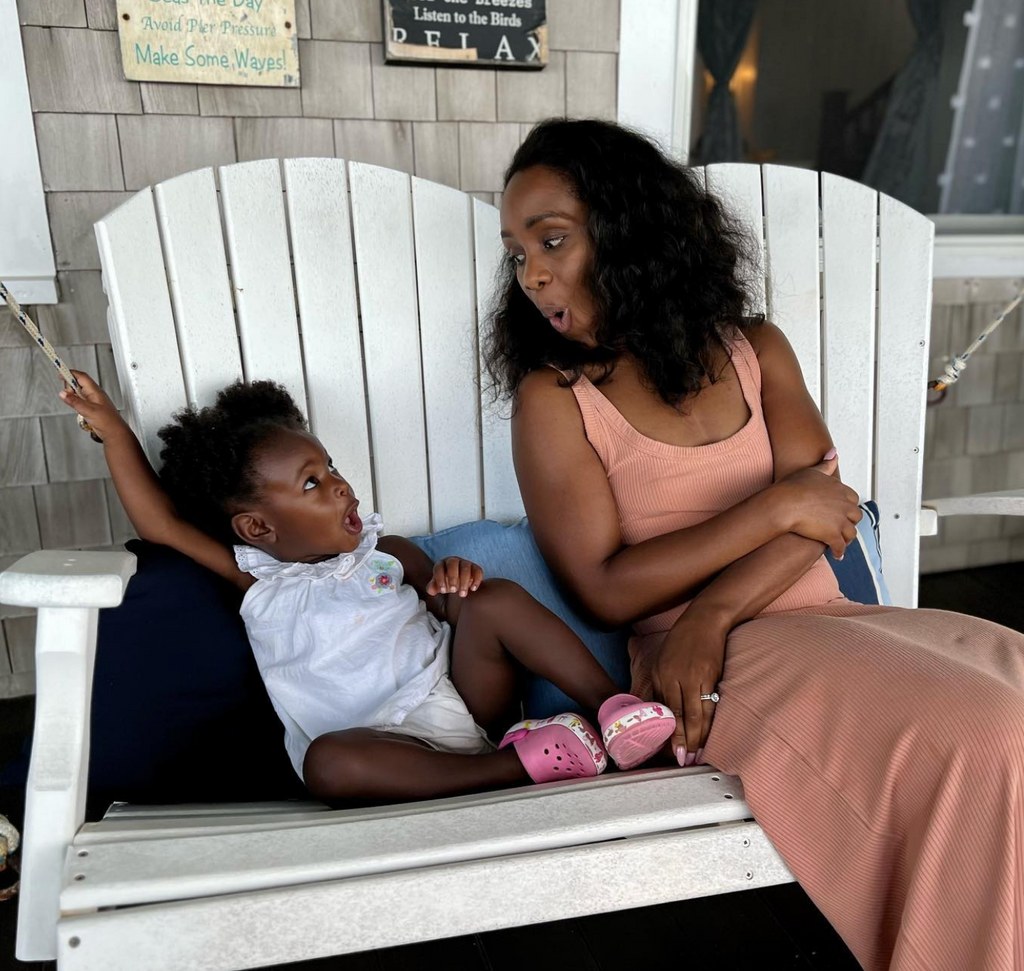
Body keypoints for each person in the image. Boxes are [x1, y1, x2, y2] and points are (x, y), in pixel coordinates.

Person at [486, 117, 1024, 971]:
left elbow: (833, 512)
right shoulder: (557, 400)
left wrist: (721, 603)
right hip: (708, 672)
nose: (533, 274)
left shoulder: (755, 350)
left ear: (633, 231)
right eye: (518, 253)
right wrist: (775, 512)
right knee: (987, 732)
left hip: (820, 620)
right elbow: (607, 588)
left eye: (552, 240)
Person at [59, 372, 677, 804]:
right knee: (327, 766)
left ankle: (613, 708)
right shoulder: (258, 578)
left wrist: (456, 582)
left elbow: (445, 600)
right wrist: (115, 432)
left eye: (332, 469)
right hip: (379, 745)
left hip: (457, 699)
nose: (338, 486)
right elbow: (160, 525)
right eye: (310, 483)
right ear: (258, 527)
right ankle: (514, 769)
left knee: (497, 599)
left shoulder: (381, 551)